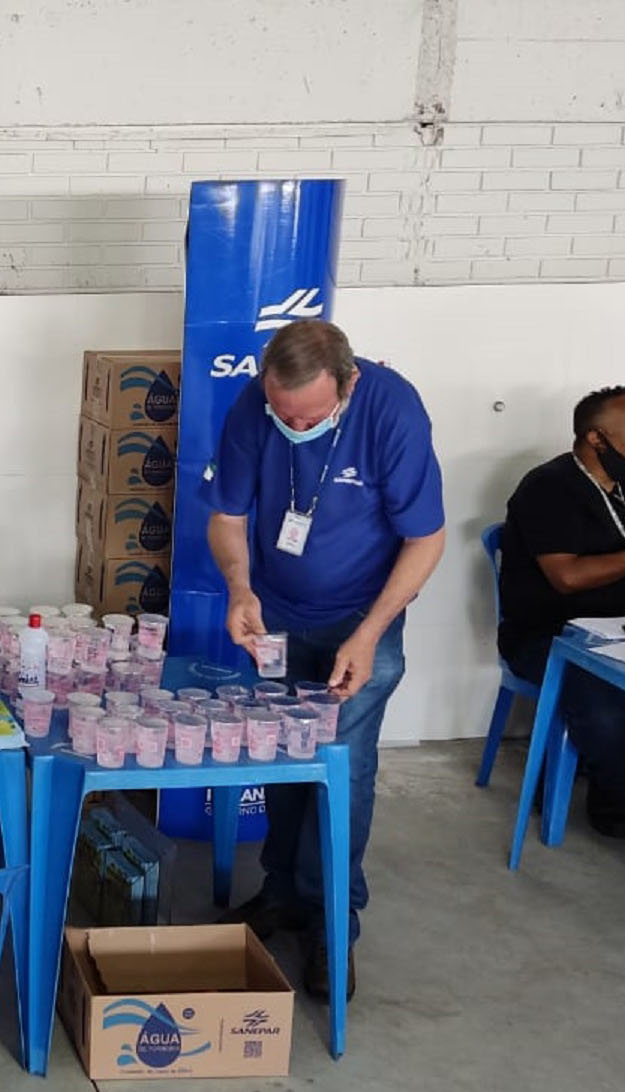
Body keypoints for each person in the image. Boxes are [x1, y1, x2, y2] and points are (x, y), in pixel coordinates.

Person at [203, 319, 446, 1000]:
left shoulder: (390, 409)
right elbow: (225, 515)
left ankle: (332, 918)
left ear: (347, 384)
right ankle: (283, 891)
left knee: (339, 764)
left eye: (306, 416)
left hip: (360, 618)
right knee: (281, 753)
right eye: (281, 413)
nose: (291, 424)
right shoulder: (256, 406)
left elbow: (424, 538)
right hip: (277, 613)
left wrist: (370, 631)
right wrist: (240, 587)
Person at [498, 386, 625, 839]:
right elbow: (566, 577)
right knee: (604, 713)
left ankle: (591, 756)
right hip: (549, 635)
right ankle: (611, 785)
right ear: (597, 438)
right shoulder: (547, 486)